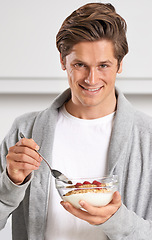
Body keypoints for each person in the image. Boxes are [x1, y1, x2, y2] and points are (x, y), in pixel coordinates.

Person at [0, 2, 152, 240]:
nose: (92, 79)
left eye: (103, 65)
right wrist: (10, 184)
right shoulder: (25, 131)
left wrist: (117, 221)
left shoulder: (148, 138)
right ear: (63, 61)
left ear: (120, 65)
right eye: (80, 65)